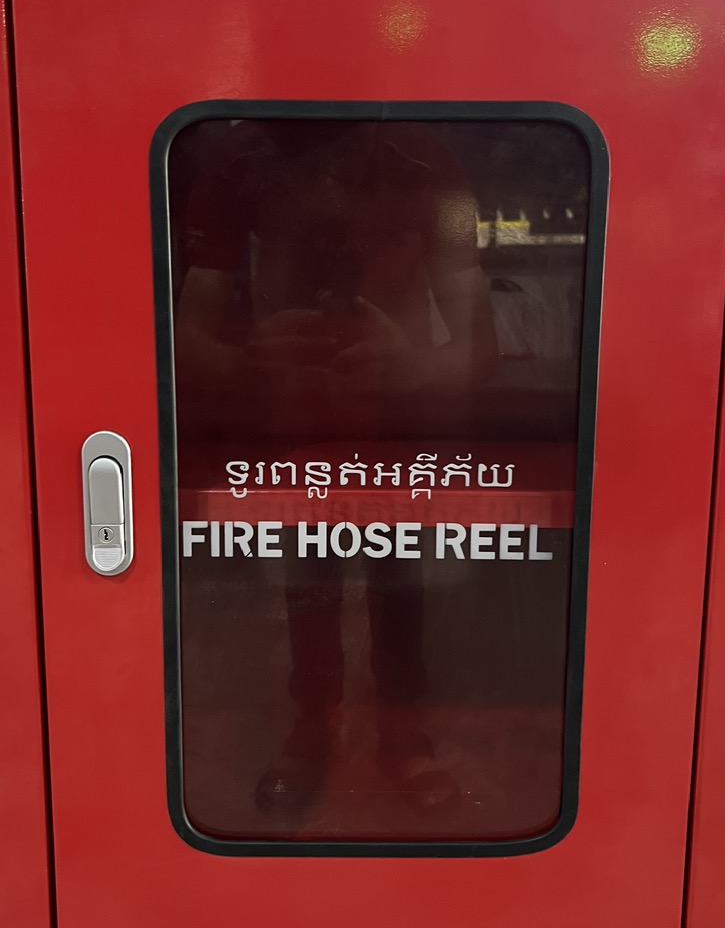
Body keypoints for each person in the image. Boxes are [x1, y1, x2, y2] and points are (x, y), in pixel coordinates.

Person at [172, 118, 497, 823]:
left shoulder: (424, 157)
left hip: (397, 423)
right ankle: (314, 730)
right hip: (285, 417)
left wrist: (412, 369)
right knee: (307, 577)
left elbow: (477, 347)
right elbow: (184, 340)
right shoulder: (238, 159)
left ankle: (398, 735)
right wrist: (250, 362)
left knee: (397, 575)